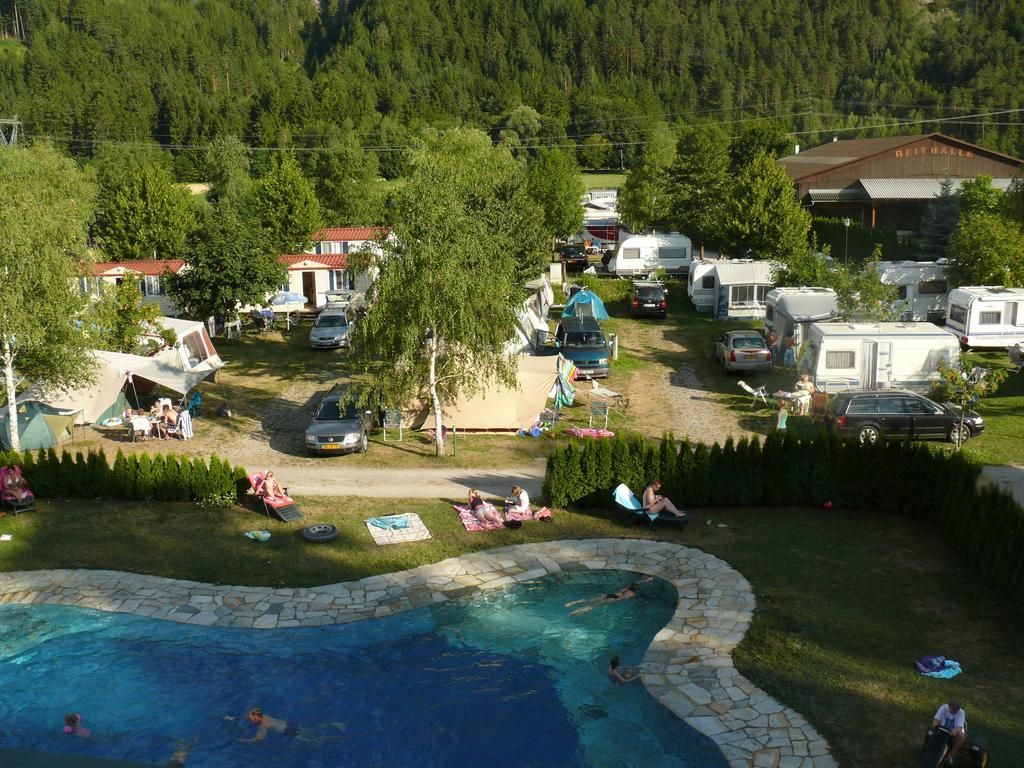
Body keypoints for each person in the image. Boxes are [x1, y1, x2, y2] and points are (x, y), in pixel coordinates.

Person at [566, 576, 653, 616]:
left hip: (611, 594)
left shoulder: (629, 587)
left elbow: (636, 582)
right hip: (614, 598)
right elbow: (625, 597)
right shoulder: (633, 593)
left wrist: (646, 580)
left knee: (590, 600)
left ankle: (573, 603)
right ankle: (579, 611)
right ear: (637, 590)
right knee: (595, 605)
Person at [224, 708, 298, 743]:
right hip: (289, 724)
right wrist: (232, 718)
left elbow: (259, 739)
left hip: (289, 732)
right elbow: (246, 717)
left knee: (304, 742)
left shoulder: (263, 726)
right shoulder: (263, 716)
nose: (249, 720)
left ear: (256, 719)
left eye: (251, 719)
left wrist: (244, 740)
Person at [931, 700, 967, 765]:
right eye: (953, 710)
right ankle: (931, 749)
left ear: (959, 709)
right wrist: (935, 726)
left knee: (961, 737)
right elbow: (936, 720)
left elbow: (959, 727)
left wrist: (955, 731)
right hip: (942, 729)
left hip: (954, 732)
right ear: (949, 706)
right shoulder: (943, 708)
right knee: (932, 730)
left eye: (956, 711)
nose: (954, 712)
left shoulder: (961, 712)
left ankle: (950, 756)